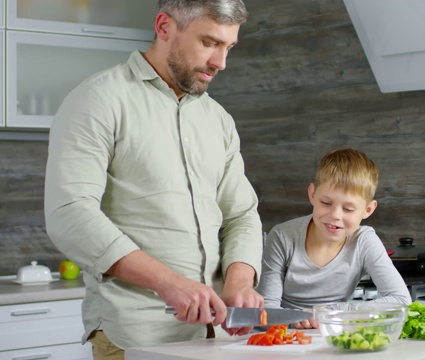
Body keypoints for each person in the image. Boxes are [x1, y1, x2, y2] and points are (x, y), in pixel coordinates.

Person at [44, 0, 262, 358]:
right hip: (135, 336)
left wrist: (238, 282)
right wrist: (169, 284)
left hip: (218, 339)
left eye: (228, 47)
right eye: (209, 43)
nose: (221, 63)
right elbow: (70, 212)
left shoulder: (218, 120)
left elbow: (241, 214)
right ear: (164, 27)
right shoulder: (99, 100)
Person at [257, 148, 412, 329]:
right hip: (285, 337)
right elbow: (265, 313)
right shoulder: (283, 236)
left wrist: (330, 311)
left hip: (336, 332)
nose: (335, 215)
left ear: (368, 210)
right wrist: (293, 319)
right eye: (326, 203)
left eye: (348, 209)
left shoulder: (364, 241)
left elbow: (401, 300)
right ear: (312, 194)